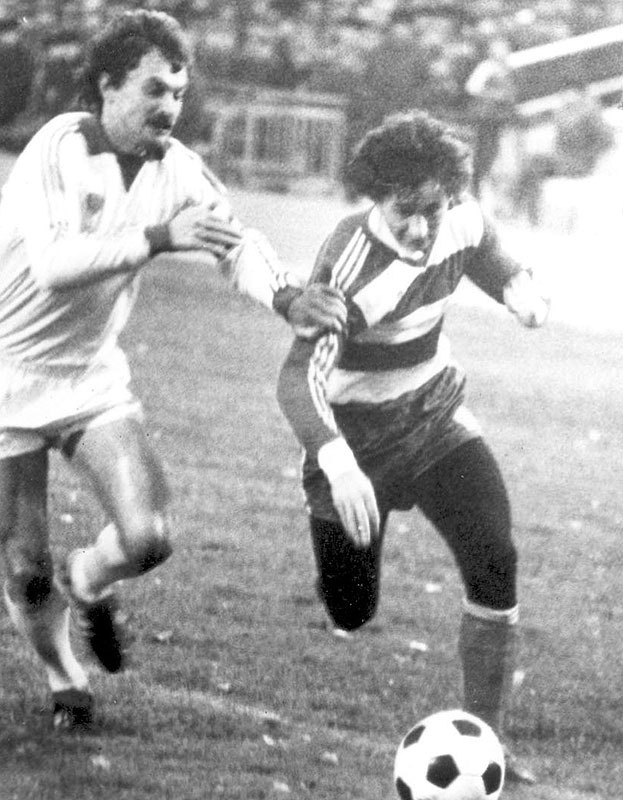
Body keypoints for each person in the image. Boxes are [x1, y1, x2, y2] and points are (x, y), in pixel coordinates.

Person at [0, 10, 346, 732]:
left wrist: (287, 297)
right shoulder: (58, 146)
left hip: (88, 377)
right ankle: (65, 678)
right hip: (0, 372)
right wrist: (158, 237)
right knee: (25, 567)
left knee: (148, 537)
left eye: (178, 94)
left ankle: (88, 582)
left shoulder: (177, 168)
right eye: (154, 89)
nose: (169, 107)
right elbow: (53, 266)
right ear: (107, 85)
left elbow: (233, 242)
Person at [276, 110, 549, 784]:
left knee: (495, 556)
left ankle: (488, 740)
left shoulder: (460, 216)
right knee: (350, 609)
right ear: (376, 199)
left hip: (433, 417)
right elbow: (295, 379)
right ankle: (335, 544)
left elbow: (485, 251)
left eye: (434, 208)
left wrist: (517, 288)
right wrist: (336, 463)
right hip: (355, 447)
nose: (422, 228)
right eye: (405, 212)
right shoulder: (348, 268)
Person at [465, 37, 517, 198]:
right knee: (484, 151)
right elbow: (472, 87)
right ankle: (476, 185)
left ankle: (489, 186)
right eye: (500, 49)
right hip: (486, 115)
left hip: (499, 116)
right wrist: (494, 95)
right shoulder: (487, 66)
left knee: (495, 150)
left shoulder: (505, 67)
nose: (504, 52)